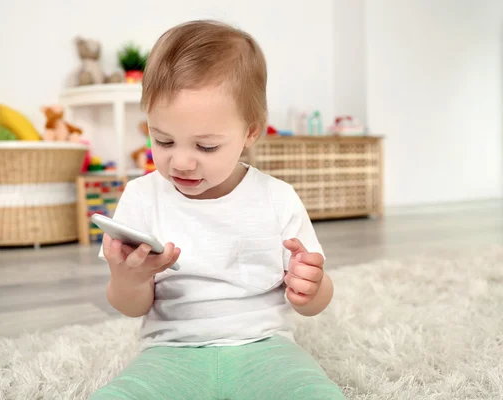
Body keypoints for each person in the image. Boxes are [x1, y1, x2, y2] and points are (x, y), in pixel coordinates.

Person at [91, 19, 345, 400]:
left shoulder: (278, 198)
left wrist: (312, 287)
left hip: (266, 348)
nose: (180, 163)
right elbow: (131, 306)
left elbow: (316, 302)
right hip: (170, 351)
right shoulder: (142, 197)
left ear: (250, 132)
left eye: (206, 147)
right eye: (163, 140)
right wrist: (129, 279)